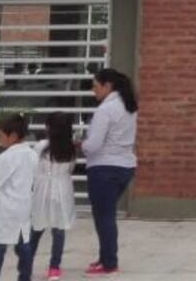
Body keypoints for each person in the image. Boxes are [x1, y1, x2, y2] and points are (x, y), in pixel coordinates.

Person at [80, 69, 137, 277]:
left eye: (95, 86)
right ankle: (105, 258)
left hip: (104, 168)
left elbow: (94, 145)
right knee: (106, 215)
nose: (93, 90)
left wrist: (82, 145)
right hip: (125, 166)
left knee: (104, 217)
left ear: (108, 86)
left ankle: (109, 263)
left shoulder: (106, 110)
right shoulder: (129, 106)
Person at [0, 113, 37, 281]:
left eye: (0, 135)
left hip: (5, 209)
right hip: (24, 207)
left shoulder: (5, 158)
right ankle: (25, 276)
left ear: (12, 136)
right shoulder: (31, 154)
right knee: (24, 244)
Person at [30, 113, 77, 281]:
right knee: (59, 230)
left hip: (42, 190)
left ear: (49, 128)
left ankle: (27, 265)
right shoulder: (70, 148)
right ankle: (54, 268)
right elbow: (70, 169)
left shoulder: (41, 146)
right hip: (62, 190)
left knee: (36, 228)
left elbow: (33, 167)